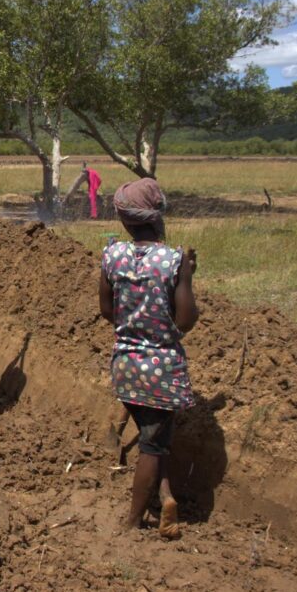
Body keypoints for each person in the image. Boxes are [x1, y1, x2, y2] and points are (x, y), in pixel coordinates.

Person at [99, 177, 199, 540]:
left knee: (152, 435)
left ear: (125, 221)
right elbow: (185, 320)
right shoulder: (173, 262)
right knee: (153, 446)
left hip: (124, 364)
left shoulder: (112, 255)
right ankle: (132, 523)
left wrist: (135, 322)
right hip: (160, 371)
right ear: (158, 216)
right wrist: (186, 277)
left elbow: (107, 310)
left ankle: (165, 495)